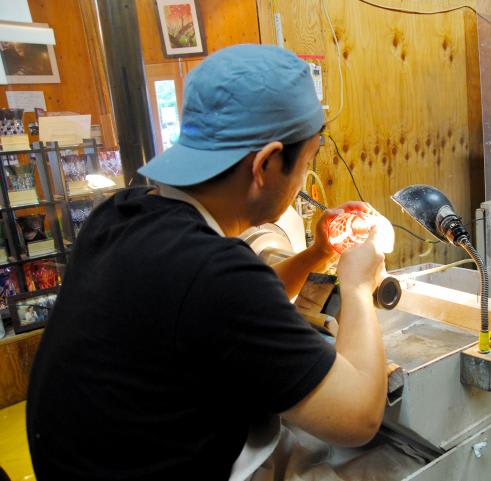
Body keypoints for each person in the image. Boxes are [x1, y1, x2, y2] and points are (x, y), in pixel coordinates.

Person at [26, 44, 388, 481]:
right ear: (267, 164)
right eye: (307, 163)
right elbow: (358, 419)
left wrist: (320, 252)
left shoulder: (122, 214)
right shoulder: (213, 274)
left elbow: (230, 306)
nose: (303, 182)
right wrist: (357, 286)